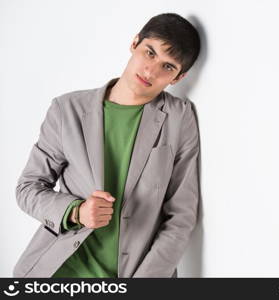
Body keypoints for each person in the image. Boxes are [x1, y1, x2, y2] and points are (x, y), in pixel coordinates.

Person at [13, 12, 201, 278]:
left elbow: (181, 216)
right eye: (149, 52)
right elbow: (28, 188)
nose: (151, 70)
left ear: (178, 78)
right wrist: (76, 212)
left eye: (167, 67)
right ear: (134, 43)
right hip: (57, 272)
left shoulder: (179, 118)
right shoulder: (67, 110)